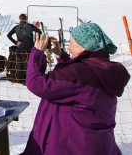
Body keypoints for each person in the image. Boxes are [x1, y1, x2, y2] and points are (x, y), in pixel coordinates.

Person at [22, 23, 130, 154]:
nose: (69, 46)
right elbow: (72, 84)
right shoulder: (100, 68)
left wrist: (37, 52)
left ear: (83, 46)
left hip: (72, 146)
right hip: (94, 143)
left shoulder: (80, 73)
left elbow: (36, 84)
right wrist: (61, 55)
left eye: (72, 42)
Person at [6, 14, 42, 83]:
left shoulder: (16, 27)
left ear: (19, 19)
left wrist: (16, 42)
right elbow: (39, 32)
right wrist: (37, 41)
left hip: (21, 46)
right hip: (30, 46)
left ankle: (21, 77)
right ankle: (29, 78)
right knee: (30, 62)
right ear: (26, 19)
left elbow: (8, 35)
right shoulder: (30, 26)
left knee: (21, 62)